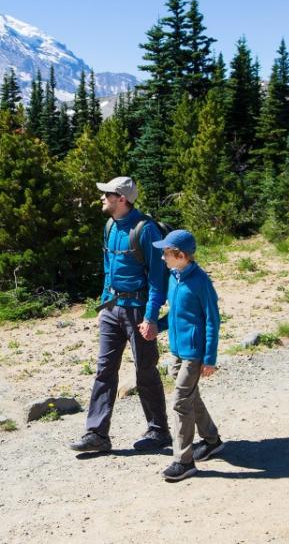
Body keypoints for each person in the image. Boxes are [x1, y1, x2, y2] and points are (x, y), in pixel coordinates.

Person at [70, 176, 171, 453]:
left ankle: (159, 431)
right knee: (104, 370)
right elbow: (107, 265)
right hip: (111, 309)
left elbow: (157, 279)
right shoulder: (109, 225)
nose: (102, 198)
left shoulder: (145, 230)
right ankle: (97, 434)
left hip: (138, 310)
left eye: (107, 194)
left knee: (145, 370)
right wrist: (104, 302)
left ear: (122, 199)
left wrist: (150, 318)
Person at [150, 228, 224, 482]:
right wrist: (155, 327)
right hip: (177, 350)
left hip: (194, 353)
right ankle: (212, 440)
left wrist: (209, 358)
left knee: (181, 401)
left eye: (166, 253)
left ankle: (183, 461)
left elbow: (213, 321)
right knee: (189, 397)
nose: (163, 258)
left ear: (180, 255)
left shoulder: (201, 281)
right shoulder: (175, 277)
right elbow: (173, 314)